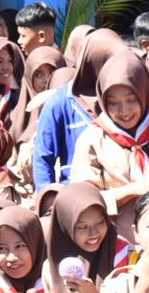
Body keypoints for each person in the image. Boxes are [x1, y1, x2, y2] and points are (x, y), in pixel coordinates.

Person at [69, 52, 149, 242]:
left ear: (144, 92)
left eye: (131, 99)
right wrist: (132, 191)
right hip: (120, 241)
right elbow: (83, 201)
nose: (124, 111)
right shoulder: (93, 138)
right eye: (113, 103)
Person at [32, 28, 126, 188]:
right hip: (77, 194)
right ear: (93, 61)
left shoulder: (126, 96)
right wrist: (46, 199)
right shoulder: (61, 101)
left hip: (123, 190)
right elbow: (43, 158)